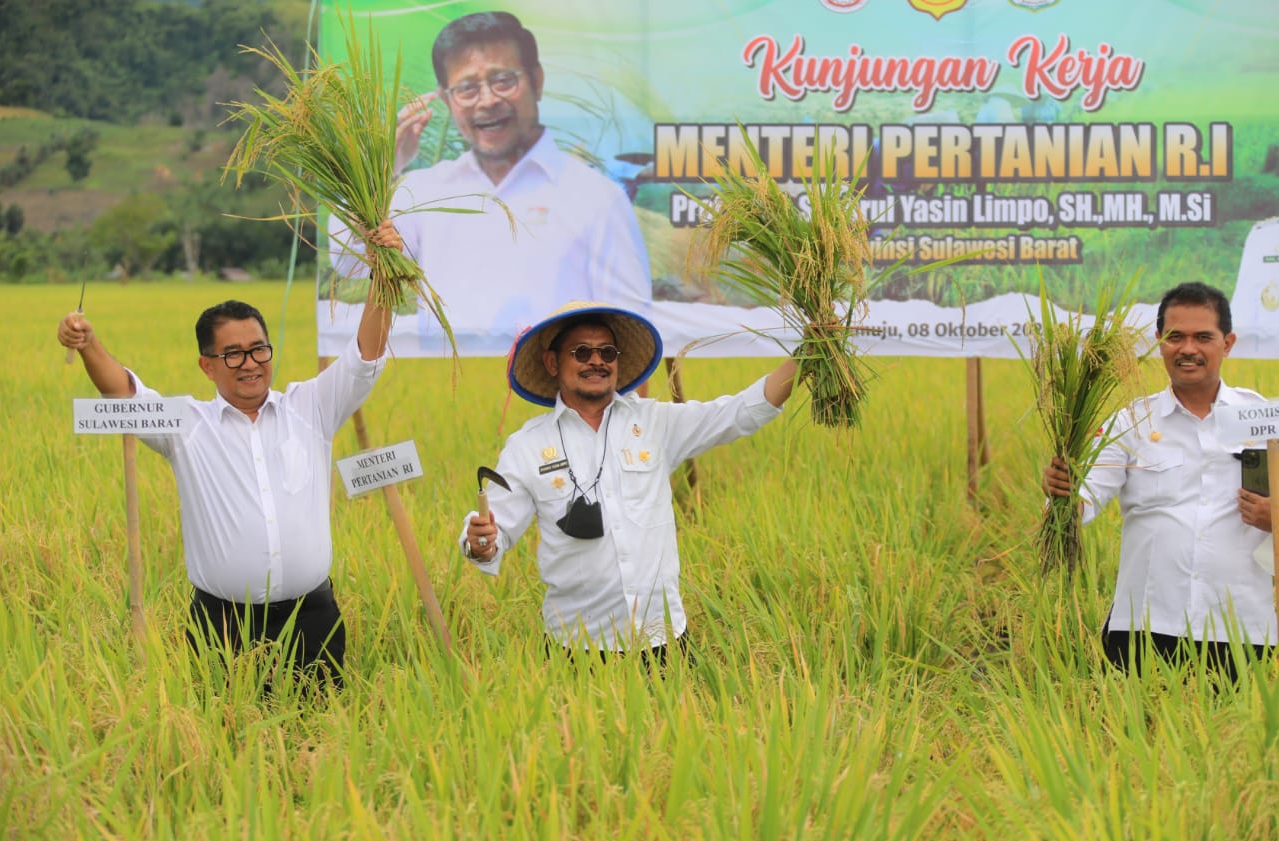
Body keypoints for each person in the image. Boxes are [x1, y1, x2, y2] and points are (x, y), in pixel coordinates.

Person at [57, 224, 400, 688]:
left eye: (259, 349)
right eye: (233, 354)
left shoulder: (312, 408)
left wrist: (384, 274)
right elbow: (123, 390)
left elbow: (365, 357)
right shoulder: (186, 427)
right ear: (207, 365)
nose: (251, 364)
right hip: (222, 627)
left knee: (322, 747)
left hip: (311, 621)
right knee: (223, 744)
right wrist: (87, 344)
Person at [460, 301, 799, 665]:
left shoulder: (655, 423)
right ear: (552, 363)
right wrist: (481, 540)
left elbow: (738, 412)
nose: (597, 361)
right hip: (576, 647)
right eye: (581, 352)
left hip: (663, 639)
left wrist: (806, 357)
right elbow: (492, 533)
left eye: (607, 352)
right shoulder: (527, 446)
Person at [329, 11, 652, 355]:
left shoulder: (596, 197)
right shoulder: (425, 190)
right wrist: (384, 165)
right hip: (444, 398)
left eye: (503, 80)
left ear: (537, 80)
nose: (487, 100)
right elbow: (348, 260)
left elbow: (632, 330)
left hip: (557, 398)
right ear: (448, 99)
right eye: (467, 88)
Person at [1042, 282, 1275, 678]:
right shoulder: (1130, 423)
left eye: (1203, 337)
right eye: (1175, 337)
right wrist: (1063, 494)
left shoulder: (1264, 418)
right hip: (1146, 626)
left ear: (1228, 342)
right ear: (1159, 341)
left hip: (1243, 629)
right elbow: (1085, 499)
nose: (1188, 349)